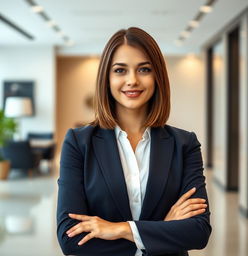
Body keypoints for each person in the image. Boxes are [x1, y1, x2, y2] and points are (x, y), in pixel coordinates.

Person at [56, 27, 211, 256]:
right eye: (120, 70)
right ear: (107, 78)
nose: (132, 80)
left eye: (144, 69)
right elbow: (70, 238)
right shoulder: (79, 143)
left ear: (157, 76)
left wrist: (120, 229)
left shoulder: (184, 144)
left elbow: (198, 231)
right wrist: (163, 229)